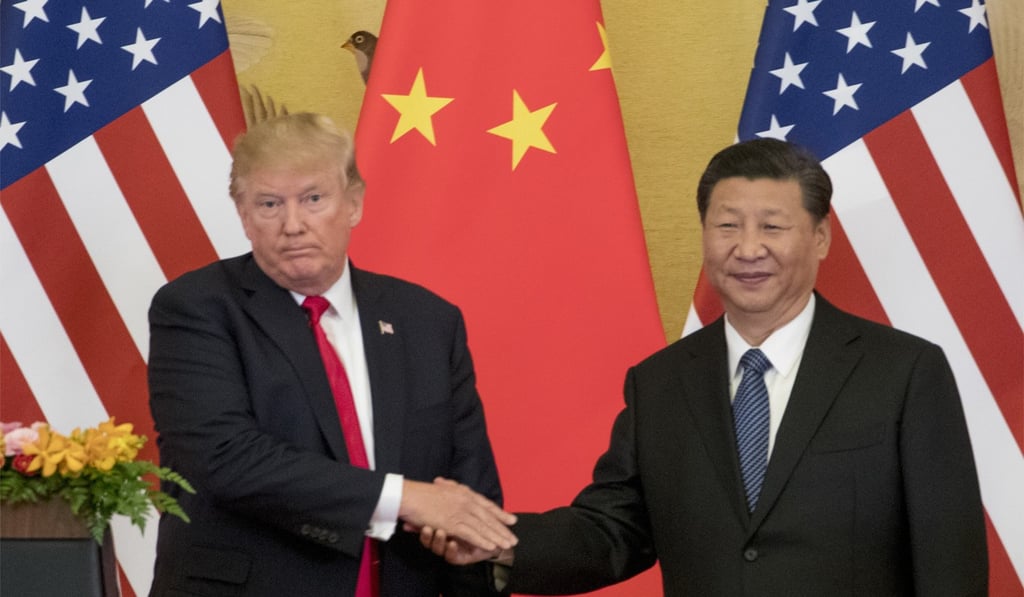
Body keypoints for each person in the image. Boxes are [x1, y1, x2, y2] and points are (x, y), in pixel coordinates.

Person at [424, 138, 988, 595]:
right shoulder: (661, 382)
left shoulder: (905, 372)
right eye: (727, 226)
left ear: (820, 238)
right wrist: (500, 540)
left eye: (771, 226)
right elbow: (612, 530)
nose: (747, 249)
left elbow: (949, 563)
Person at [147, 112, 516, 597]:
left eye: (313, 199)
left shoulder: (427, 321)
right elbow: (225, 459)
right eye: (269, 204)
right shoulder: (195, 308)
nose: (293, 225)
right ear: (243, 215)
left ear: (354, 204)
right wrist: (404, 498)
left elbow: (467, 497)